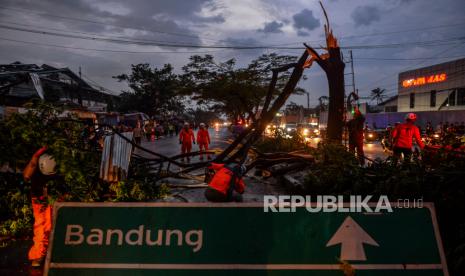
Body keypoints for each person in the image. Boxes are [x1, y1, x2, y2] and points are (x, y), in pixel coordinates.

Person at [23, 147, 58, 267]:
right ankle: (38, 256)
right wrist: (35, 156)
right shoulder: (36, 165)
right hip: (39, 200)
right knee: (42, 228)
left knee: (52, 227)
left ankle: (48, 254)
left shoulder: (57, 161)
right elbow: (27, 174)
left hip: (53, 199)